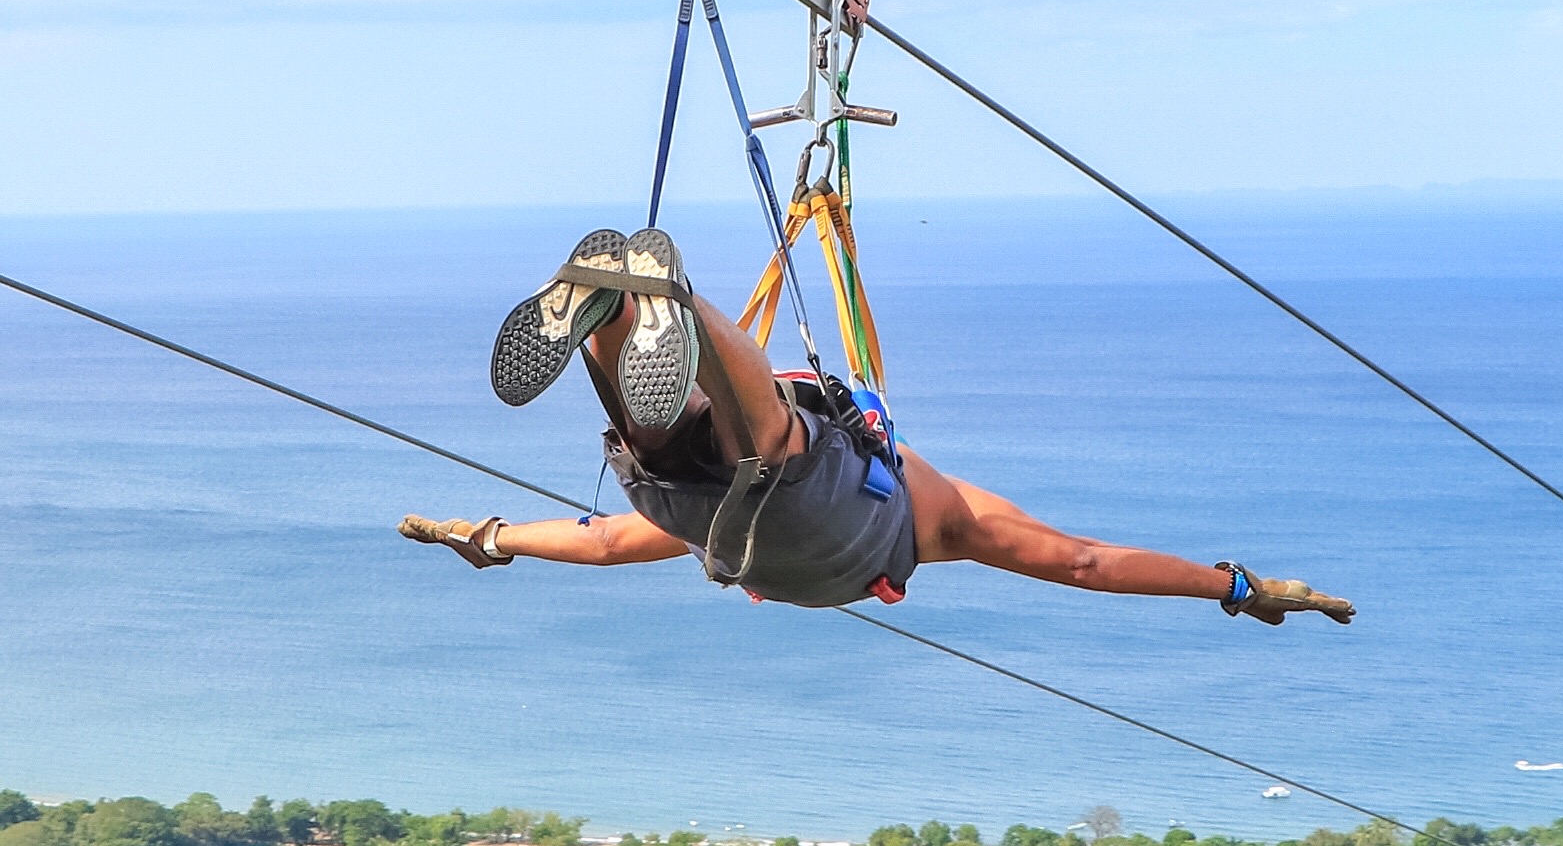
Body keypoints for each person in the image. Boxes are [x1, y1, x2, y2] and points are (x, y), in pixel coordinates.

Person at [401, 227, 1353, 623]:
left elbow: (604, 539)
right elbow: (1084, 564)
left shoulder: (927, 505)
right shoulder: (946, 524)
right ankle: (648, 310)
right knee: (733, 447)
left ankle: (624, 320)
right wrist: (1241, 586)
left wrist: (487, 535)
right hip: (745, 531)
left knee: (725, 442)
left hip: (725, 520)